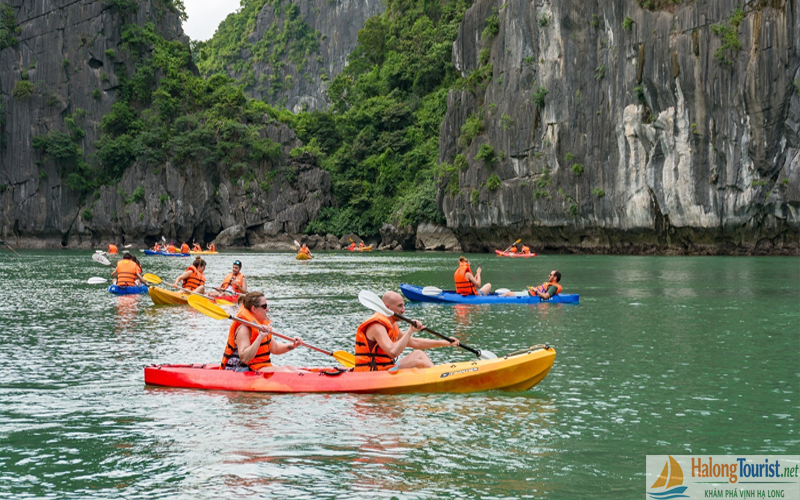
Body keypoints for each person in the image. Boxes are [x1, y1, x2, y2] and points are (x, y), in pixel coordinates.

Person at [354, 291, 458, 372]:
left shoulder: (391, 324)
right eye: (400, 306)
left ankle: (436, 375)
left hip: (387, 368)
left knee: (418, 354)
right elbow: (392, 352)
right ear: (387, 307)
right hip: (373, 373)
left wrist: (445, 343)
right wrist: (410, 330)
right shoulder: (377, 326)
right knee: (417, 361)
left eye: (403, 306)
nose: (403, 310)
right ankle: (438, 378)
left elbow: (414, 342)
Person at [220, 292, 304, 372]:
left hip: (259, 367)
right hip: (241, 369)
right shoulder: (244, 329)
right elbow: (245, 358)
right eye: (264, 306)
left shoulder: (261, 325)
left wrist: (293, 345)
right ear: (254, 309)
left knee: (288, 367)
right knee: (284, 370)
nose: (267, 309)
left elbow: (275, 348)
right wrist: (260, 337)